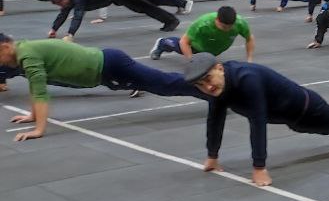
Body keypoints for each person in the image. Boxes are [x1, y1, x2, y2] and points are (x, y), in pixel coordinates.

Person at [184, 52, 329, 187]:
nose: (208, 87)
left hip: (308, 109)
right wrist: (212, 156)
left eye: (208, 79)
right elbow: (215, 119)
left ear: (220, 68)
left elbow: (257, 122)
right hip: (294, 118)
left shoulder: (247, 79)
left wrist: (259, 167)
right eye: (201, 85)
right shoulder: (219, 88)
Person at [0, 35, 199, 141]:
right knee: (163, 85)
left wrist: (39, 130)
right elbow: (35, 87)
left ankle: (209, 88)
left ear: (6, 47)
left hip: (111, 65)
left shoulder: (28, 55)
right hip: (106, 68)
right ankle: (206, 88)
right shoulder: (24, 50)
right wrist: (32, 116)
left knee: (165, 84)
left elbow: (40, 92)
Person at [49, 0, 179, 40]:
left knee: (143, 6)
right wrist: (54, 29)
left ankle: (172, 21)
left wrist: (70, 34)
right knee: (140, 8)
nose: (62, 7)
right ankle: (170, 20)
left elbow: (78, 16)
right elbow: (63, 14)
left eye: (61, 4)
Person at [150, 5, 254, 62]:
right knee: (177, 45)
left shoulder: (240, 23)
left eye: (230, 27)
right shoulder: (203, 23)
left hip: (212, 51)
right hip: (196, 47)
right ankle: (162, 42)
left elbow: (249, 39)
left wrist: (249, 60)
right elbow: (184, 42)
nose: (227, 30)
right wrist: (192, 61)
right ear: (217, 20)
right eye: (223, 27)